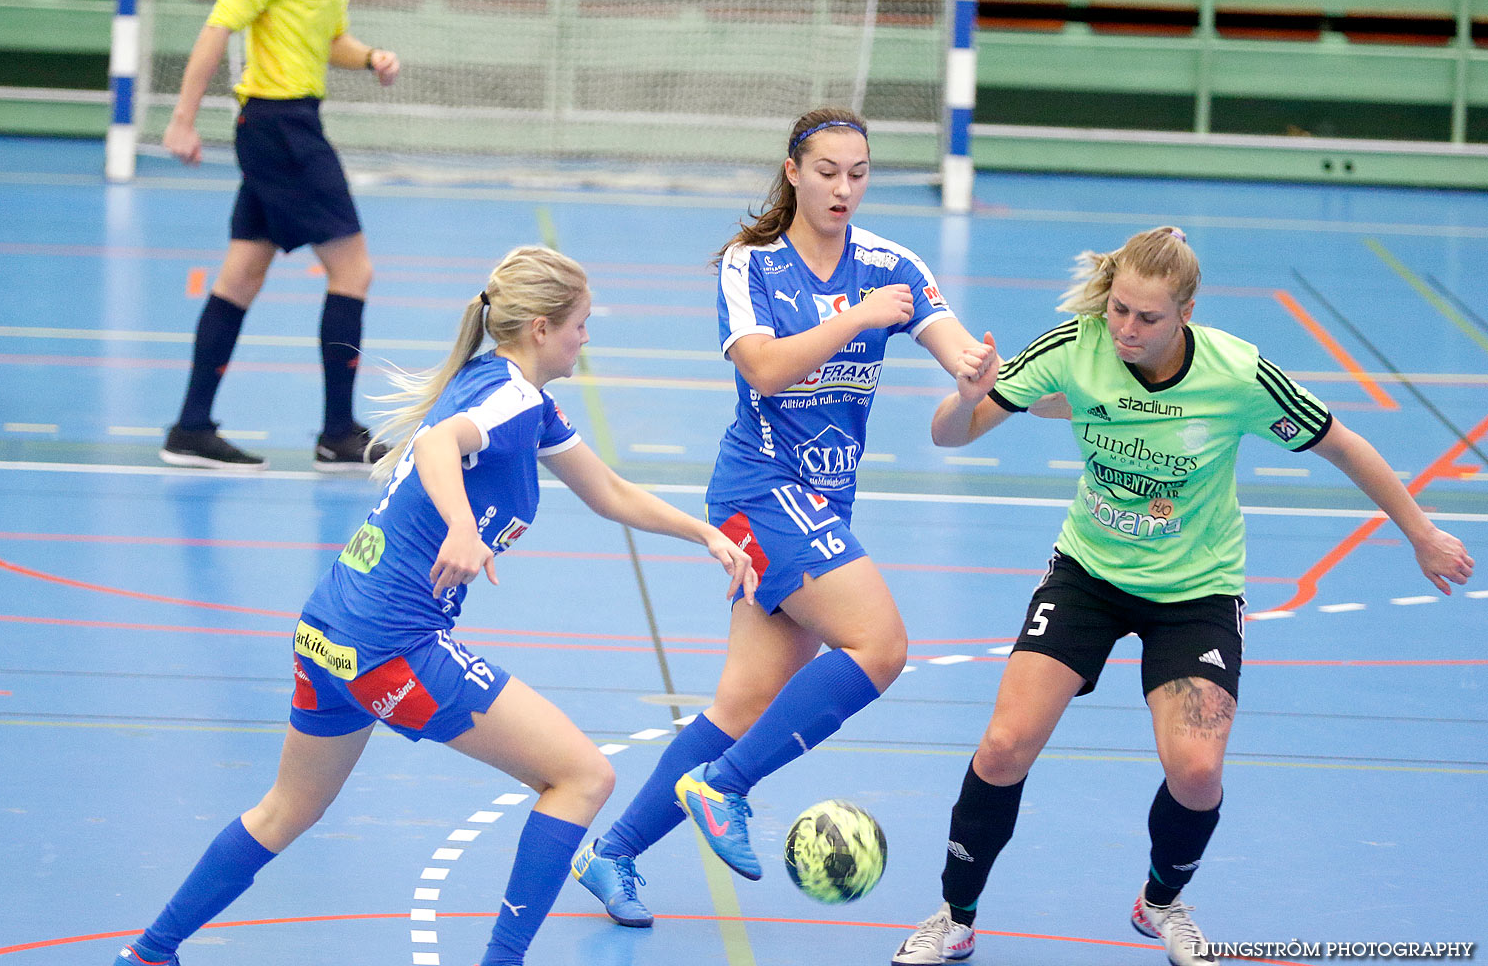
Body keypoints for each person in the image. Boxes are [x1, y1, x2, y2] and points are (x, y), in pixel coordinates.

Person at [112, 246, 758, 966]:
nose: (586, 338)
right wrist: (458, 524)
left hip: (329, 631)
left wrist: (703, 531)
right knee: (583, 776)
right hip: (393, 644)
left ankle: (148, 954)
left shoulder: (517, 398)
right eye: (581, 324)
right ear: (542, 329)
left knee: (285, 809)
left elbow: (608, 492)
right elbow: (435, 445)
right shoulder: (506, 396)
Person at [891, 226, 1475, 966]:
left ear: (1187, 312)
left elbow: (1343, 444)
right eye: (1120, 310)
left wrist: (1420, 534)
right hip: (1087, 575)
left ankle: (1160, 902)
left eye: (1147, 317)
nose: (1127, 329)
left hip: (1195, 591)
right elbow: (952, 437)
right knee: (1004, 747)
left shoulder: (1237, 375)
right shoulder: (1074, 346)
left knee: (1197, 772)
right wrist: (965, 395)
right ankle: (955, 915)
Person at [570, 106, 1036, 927]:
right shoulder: (751, 265)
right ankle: (725, 787)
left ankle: (612, 855)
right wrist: (855, 315)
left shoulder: (892, 262)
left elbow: (958, 347)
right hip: (759, 489)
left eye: (858, 173)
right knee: (882, 648)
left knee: (742, 708)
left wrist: (976, 373)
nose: (844, 188)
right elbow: (766, 369)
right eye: (827, 171)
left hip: (824, 500)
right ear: (793, 171)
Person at [157, 0, 401, 471]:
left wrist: (370, 57)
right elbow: (216, 28)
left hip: (292, 123)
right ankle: (337, 434)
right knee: (353, 271)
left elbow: (330, 41)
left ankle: (191, 428)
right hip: (279, 126)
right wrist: (183, 118)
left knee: (241, 277)